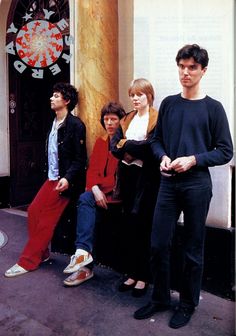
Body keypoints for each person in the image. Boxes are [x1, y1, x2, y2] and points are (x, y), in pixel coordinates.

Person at [134, 44, 233, 327]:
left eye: (192, 67)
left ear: (203, 71)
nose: (185, 72)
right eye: (182, 66)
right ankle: (161, 298)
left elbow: (226, 150)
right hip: (168, 185)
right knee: (158, 244)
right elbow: (156, 141)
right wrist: (163, 157)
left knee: (193, 248)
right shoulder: (169, 104)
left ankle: (188, 304)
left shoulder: (213, 108)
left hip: (196, 185)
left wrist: (193, 159)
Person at [5, 82, 87, 277]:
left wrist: (67, 178)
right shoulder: (53, 122)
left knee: (46, 222)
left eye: (57, 96)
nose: (52, 98)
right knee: (33, 211)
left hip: (64, 182)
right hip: (51, 178)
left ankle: (28, 261)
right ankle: (42, 253)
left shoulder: (76, 125)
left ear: (67, 101)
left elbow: (80, 159)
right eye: (53, 95)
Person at [62, 101, 125, 286]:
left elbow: (117, 179)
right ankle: (82, 256)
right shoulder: (100, 142)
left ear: (121, 121)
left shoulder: (124, 144)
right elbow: (92, 170)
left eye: (114, 119)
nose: (109, 123)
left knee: (87, 202)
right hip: (100, 194)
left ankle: (86, 265)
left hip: (118, 196)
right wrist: (95, 189)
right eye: (106, 119)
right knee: (84, 199)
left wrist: (100, 187)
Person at [111, 78, 160, 297]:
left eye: (139, 95)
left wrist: (128, 146)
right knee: (129, 226)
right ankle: (132, 273)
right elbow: (114, 146)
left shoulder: (157, 118)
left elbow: (151, 148)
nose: (135, 99)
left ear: (149, 95)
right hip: (127, 176)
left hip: (146, 179)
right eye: (132, 95)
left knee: (143, 225)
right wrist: (128, 147)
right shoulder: (126, 119)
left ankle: (144, 277)